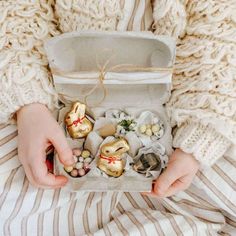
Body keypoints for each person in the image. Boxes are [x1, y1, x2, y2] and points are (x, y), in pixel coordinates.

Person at [0, 0, 235, 235]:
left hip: (185, 109)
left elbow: (220, 31)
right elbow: (17, 13)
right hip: (50, 103)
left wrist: (196, 140)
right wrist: (29, 106)